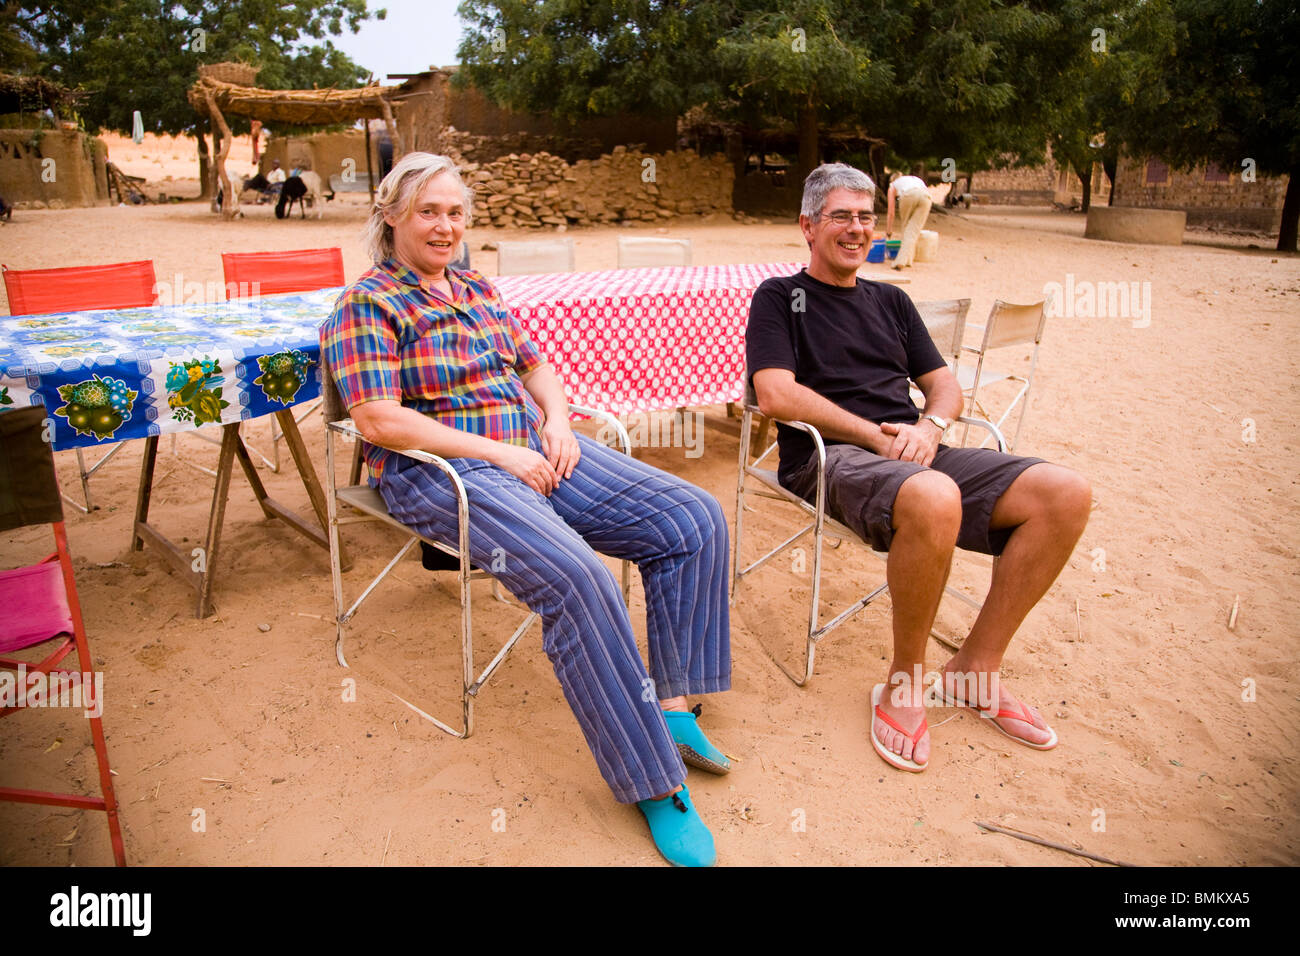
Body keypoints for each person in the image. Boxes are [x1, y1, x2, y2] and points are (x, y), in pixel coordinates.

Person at [320, 152, 732, 866]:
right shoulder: (369, 304)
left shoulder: (474, 286)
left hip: (534, 451)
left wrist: (559, 422)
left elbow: (534, 364)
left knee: (693, 517)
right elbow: (379, 419)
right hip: (444, 471)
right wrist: (498, 453)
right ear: (390, 217)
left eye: (454, 212)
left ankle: (672, 708)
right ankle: (654, 784)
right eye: (428, 211)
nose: (445, 226)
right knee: (578, 578)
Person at [746, 162, 1091, 773]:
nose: (855, 229)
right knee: (933, 495)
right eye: (840, 217)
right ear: (807, 225)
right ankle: (905, 683)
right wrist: (874, 438)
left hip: (914, 449)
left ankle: (975, 669)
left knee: (1064, 493)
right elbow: (774, 393)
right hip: (830, 455)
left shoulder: (892, 300)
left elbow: (945, 387)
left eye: (864, 216)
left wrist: (930, 426)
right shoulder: (779, 298)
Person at [885, 167, 932, 269]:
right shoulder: (914, 179)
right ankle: (908, 260)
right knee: (914, 230)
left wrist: (888, 231)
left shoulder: (893, 185)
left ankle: (900, 261)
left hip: (908, 195)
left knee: (906, 228)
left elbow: (891, 212)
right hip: (926, 196)